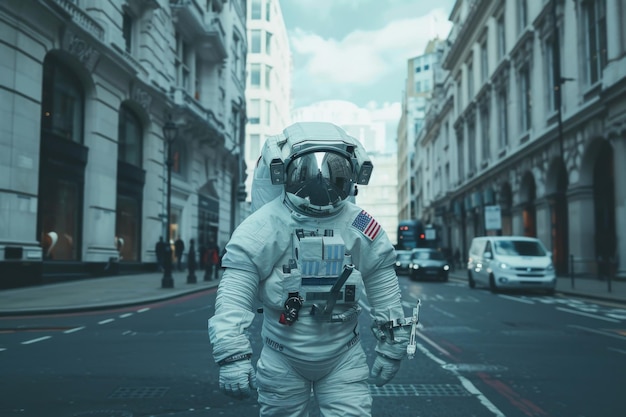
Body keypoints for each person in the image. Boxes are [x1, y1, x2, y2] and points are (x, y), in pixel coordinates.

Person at [208, 122, 413, 416]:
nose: (322, 186)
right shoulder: (268, 223)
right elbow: (235, 292)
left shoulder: (357, 223)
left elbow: (381, 277)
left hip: (343, 356)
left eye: (332, 174)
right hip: (283, 357)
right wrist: (232, 355)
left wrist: (393, 347)